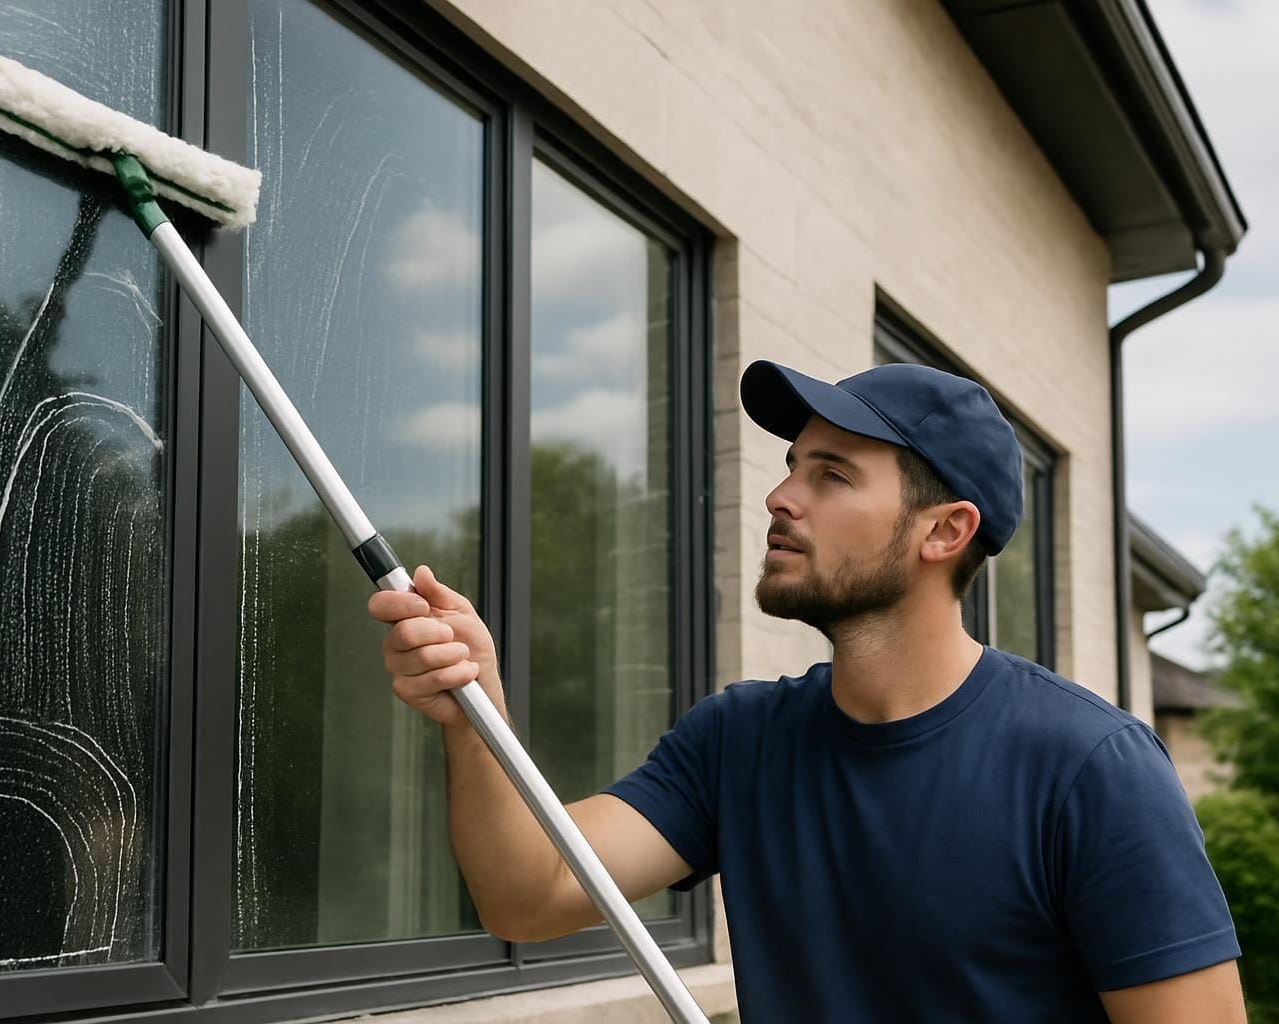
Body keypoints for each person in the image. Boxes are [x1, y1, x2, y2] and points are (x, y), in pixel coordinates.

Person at [368, 360, 1246, 1023]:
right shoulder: (739, 741)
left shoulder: (1090, 768)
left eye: (832, 475)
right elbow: (531, 894)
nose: (781, 496)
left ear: (945, 531)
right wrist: (473, 714)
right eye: (793, 467)